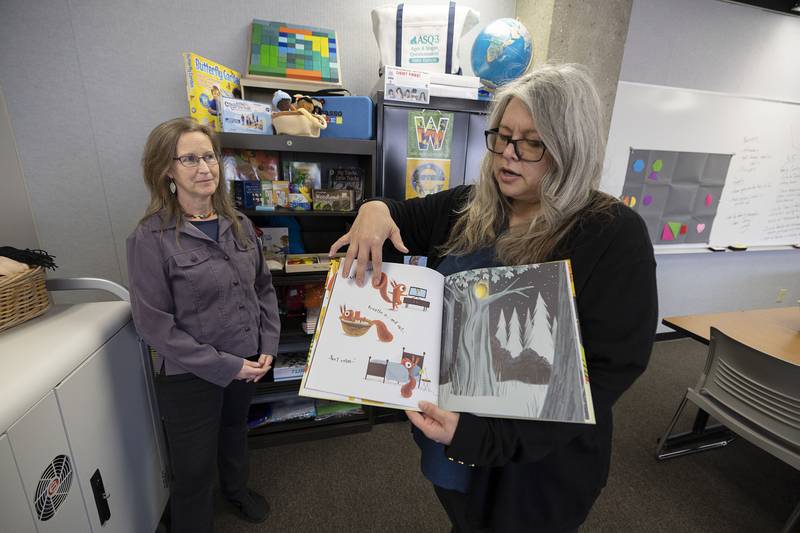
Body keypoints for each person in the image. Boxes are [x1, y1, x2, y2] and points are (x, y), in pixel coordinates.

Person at [330, 63, 658, 532]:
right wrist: (373, 210)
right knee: (462, 518)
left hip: (533, 466)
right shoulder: (474, 205)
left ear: (570, 147)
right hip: (448, 436)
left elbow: (607, 373)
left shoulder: (611, 233)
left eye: (531, 143)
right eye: (502, 136)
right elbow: (401, 215)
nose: (508, 153)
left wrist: (483, 436)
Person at [127, 117, 280, 533]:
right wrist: (224, 366)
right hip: (189, 375)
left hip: (247, 361)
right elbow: (153, 324)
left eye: (209, 156)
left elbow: (263, 288)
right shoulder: (150, 238)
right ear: (166, 170)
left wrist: (267, 342)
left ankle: (236, 491)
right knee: (192, 466)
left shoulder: (241, 225)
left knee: (234, 432)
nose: (205, 167)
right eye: (190, 158)